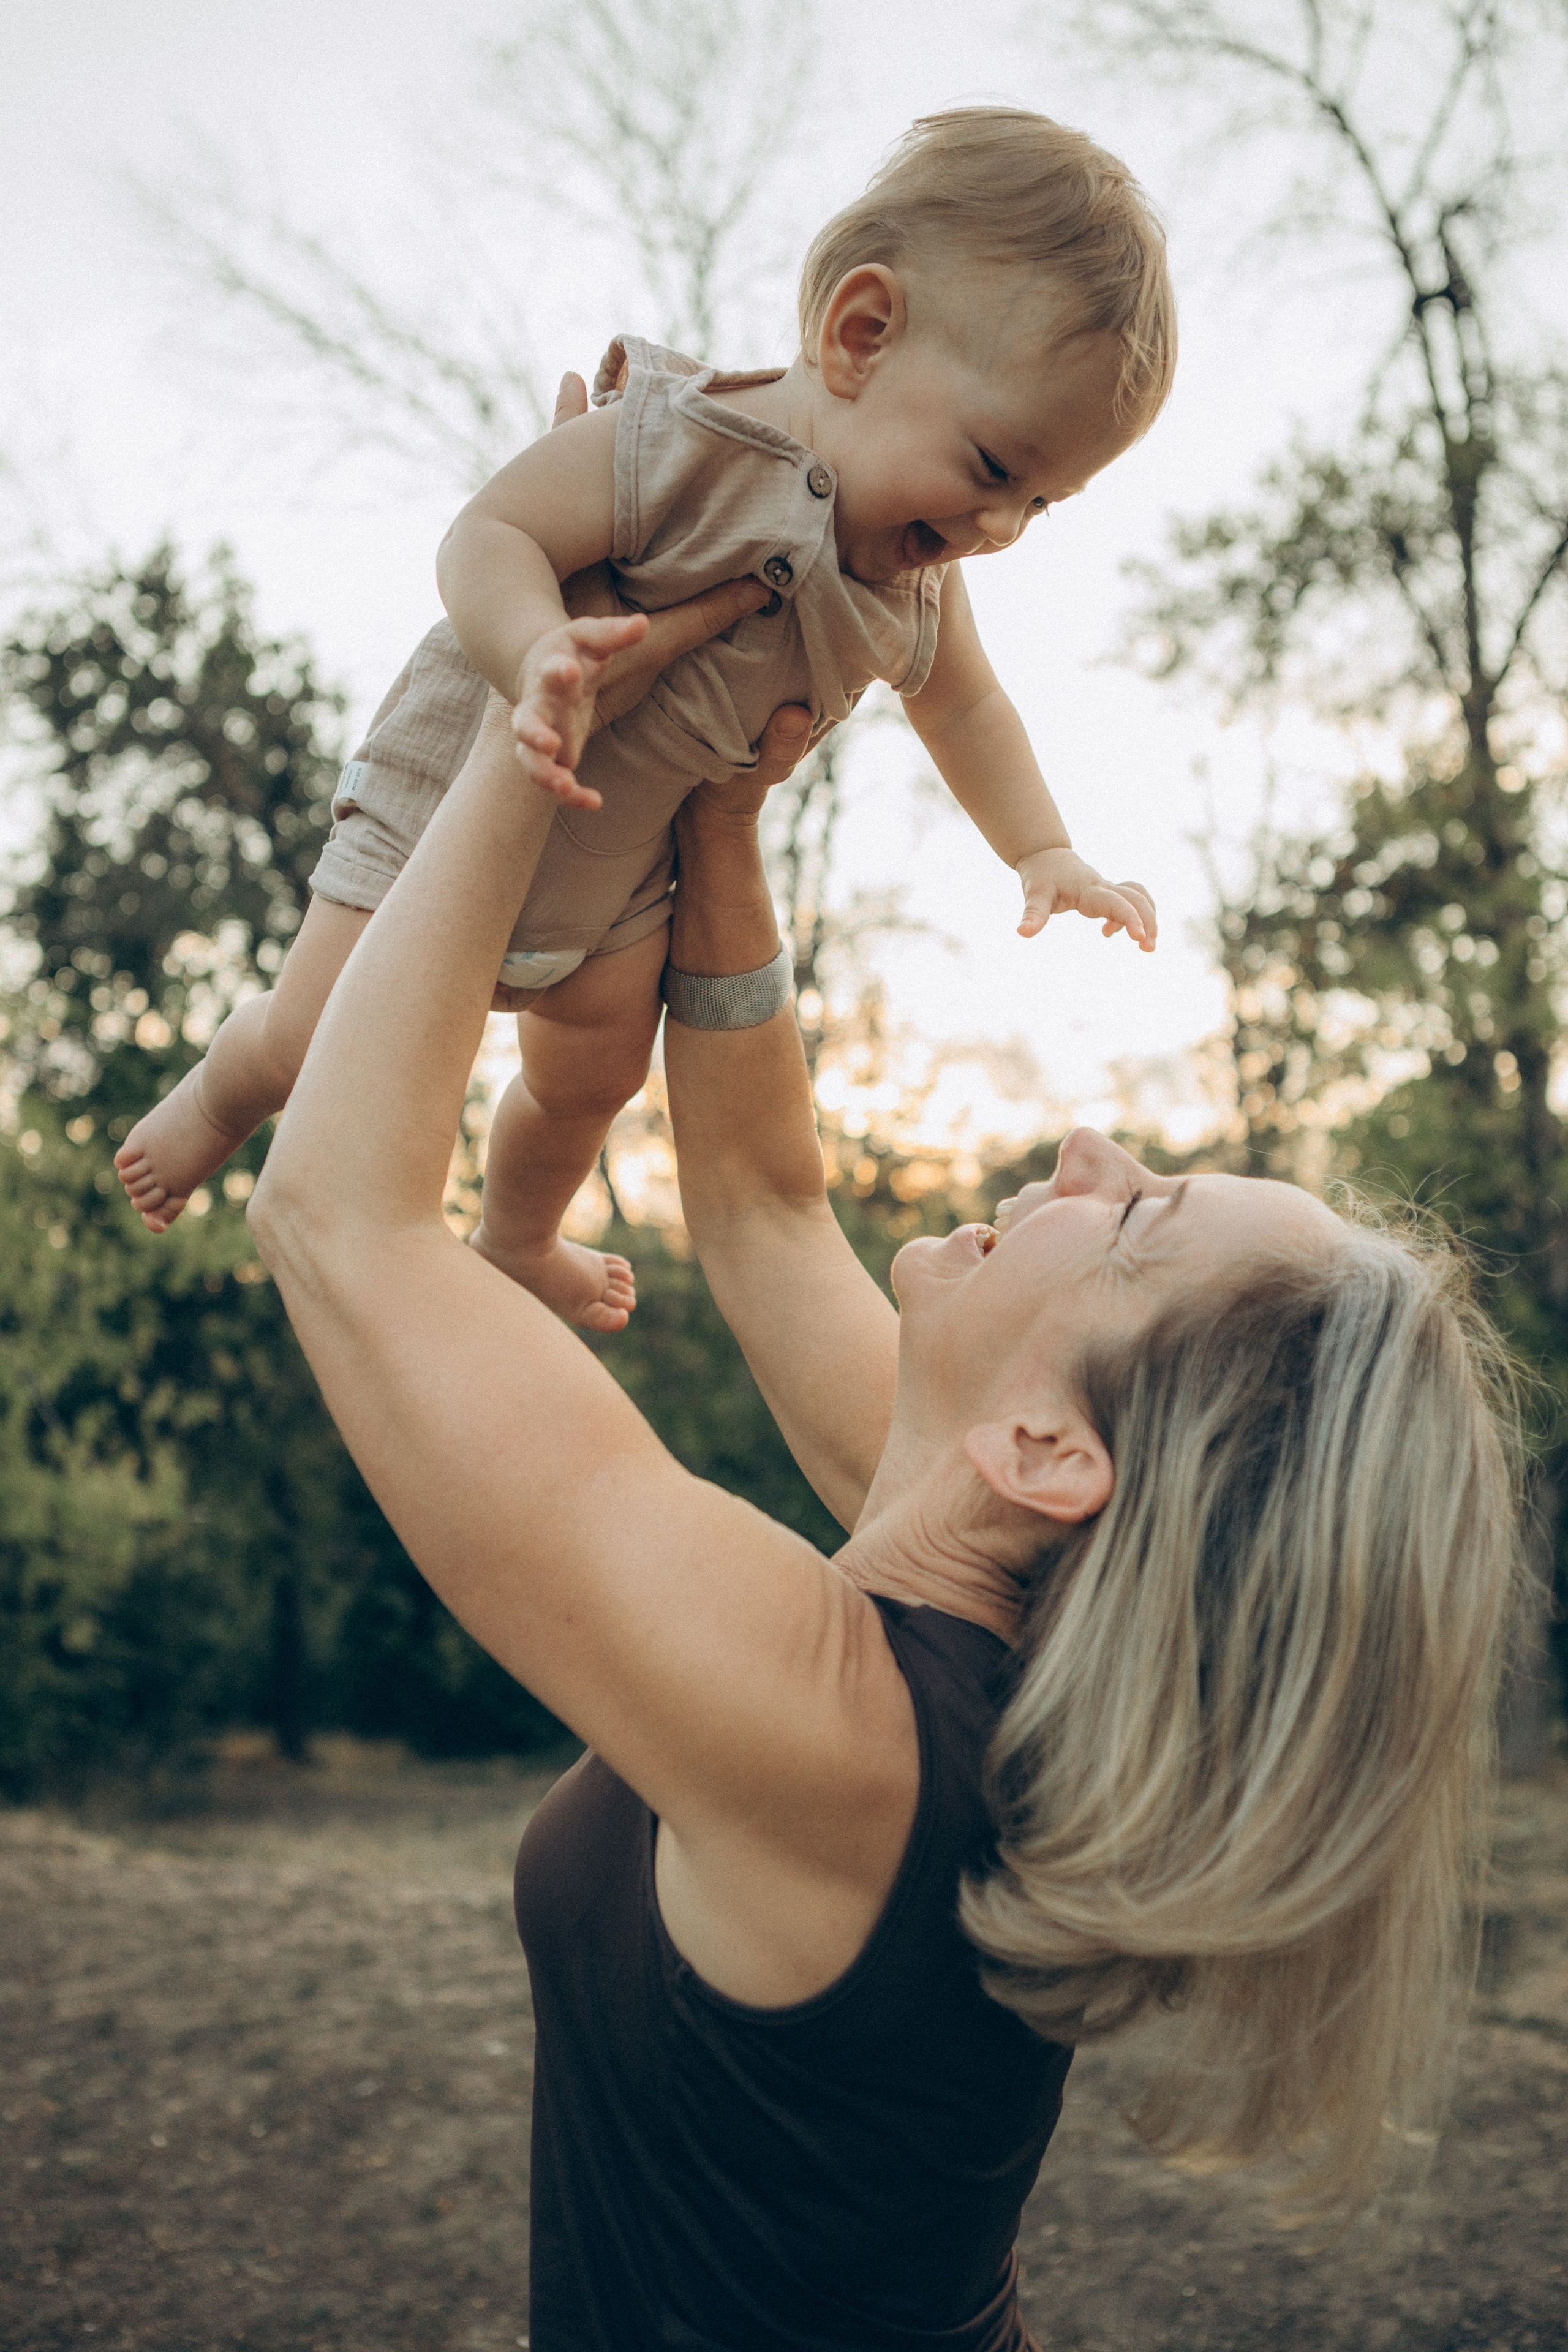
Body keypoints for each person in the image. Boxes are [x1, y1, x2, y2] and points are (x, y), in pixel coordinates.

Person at [246, 664, 1521, 2347]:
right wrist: (719, 802)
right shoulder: (1004, 1574)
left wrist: (528, 703)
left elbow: (343, 1217)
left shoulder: (844, 1736)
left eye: (1134, 1222)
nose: (1085, 1150)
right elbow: (766, 1210)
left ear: (1057, 1455)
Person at [116, 107, 1171, 1331]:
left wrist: (1043, 852)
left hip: (619, 877)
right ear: (859, 334)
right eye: (992, 468)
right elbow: (491, 534)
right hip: (449, 799)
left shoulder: (917, 585)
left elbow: (969, 709)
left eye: (1040, 504)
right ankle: (220, 1092)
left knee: (594, 1076)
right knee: (322, 1043)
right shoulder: (679, 444)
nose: (997, 528)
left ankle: (515, 1238)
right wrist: (538, 650)